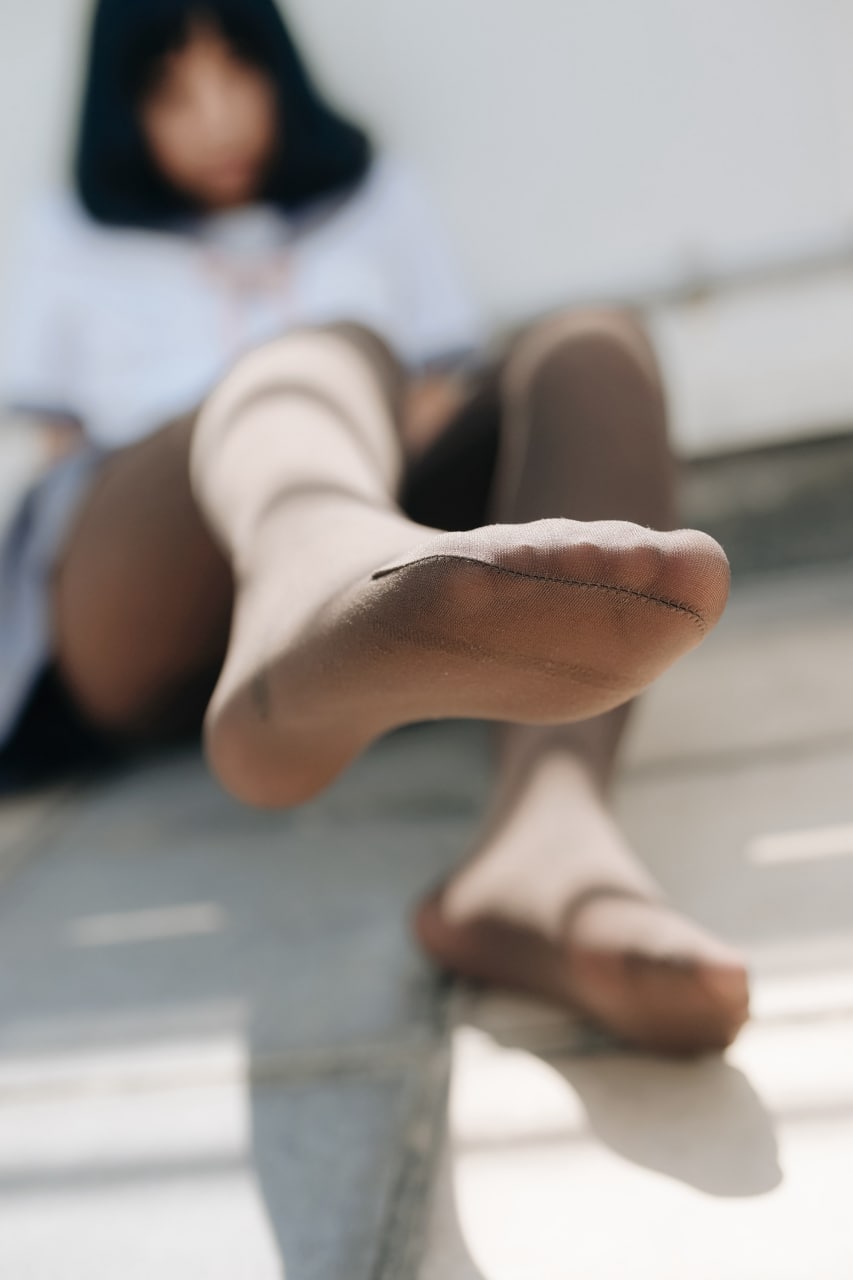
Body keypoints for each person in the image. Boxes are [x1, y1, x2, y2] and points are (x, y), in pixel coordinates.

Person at [0, 0, 748, 1054]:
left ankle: (548, 851)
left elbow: (442, 386)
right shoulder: (73, 236)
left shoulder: (373, 200)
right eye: (169, 90)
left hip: (379, 542)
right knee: (322, 347)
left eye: (237, 71)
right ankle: (315, 574)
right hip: (139, 598)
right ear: (120, 111)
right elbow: (53, 448)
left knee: (592, 343)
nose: (215, 117)